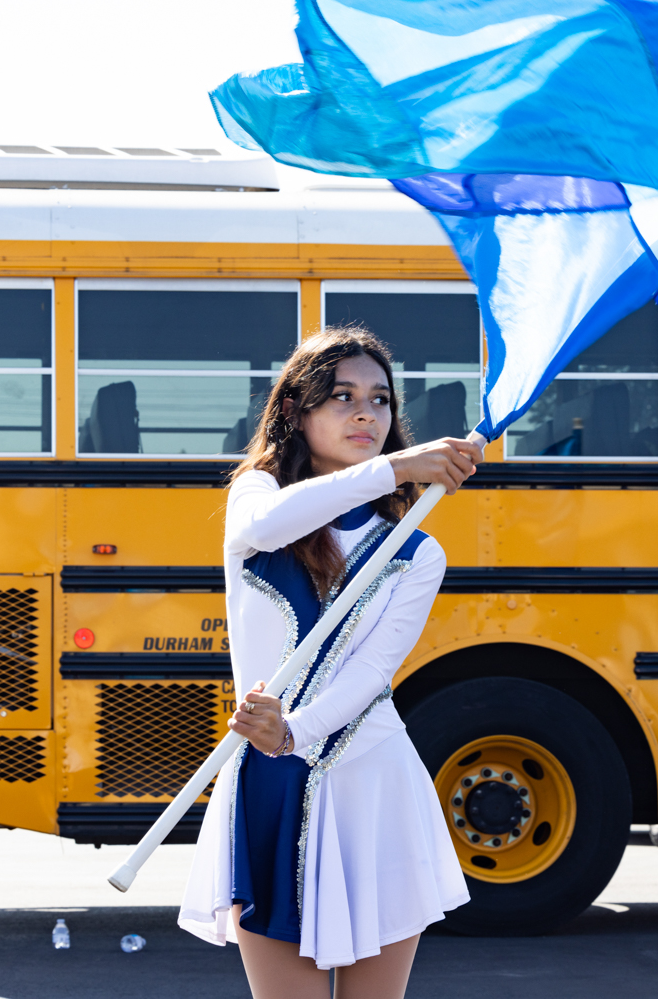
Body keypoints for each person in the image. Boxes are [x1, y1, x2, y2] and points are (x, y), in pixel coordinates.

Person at [178, 326, 479, 999]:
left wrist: (293, 731)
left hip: (375, 788)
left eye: (380, 399)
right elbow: (265, 529)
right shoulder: (255, 500)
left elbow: (372, 675)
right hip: (268, 788)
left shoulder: (416, 551)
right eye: (342, 397)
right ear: (295, 411)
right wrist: (400, 468)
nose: (367, 413)